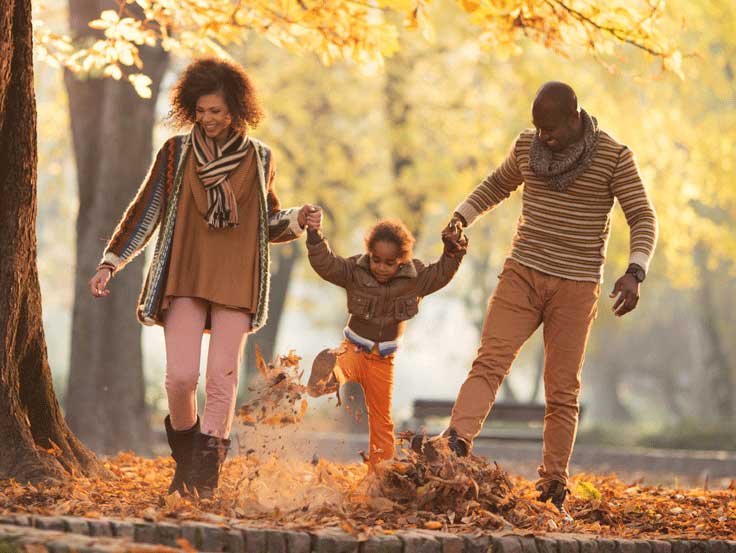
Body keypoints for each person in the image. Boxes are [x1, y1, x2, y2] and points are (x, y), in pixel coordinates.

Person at [420, 81, 658, 515]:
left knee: (562, 389)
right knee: (489, 361)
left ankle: (552, 483)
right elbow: (497, 184)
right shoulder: (529, 147)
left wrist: (635, 271)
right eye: (537, 128)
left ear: (575, 118)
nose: (543, 137)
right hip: (523, 273)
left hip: (576, 284)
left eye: (550, 129)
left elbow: (642, 215)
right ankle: (455, 444)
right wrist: (461, 216)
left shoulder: (614, 156)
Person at [88, 57, 321, 497]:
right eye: (201, 111)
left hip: (236, 280)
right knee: (179, 378)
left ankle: (205, 476)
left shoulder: (259, 157)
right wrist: (111, 261)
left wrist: (298, 218)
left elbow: (265, 222)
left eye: (216, 111)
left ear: (235, 111)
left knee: (221, 379)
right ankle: (187, 456)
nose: (208, 119)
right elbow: (147, 210)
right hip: (184, 275)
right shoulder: (176, 153)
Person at [305, 217, 468, 466]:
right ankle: (326, 376)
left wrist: (453, 251)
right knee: (339, 366)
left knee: (382, 421)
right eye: (376, 259)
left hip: (383, 361)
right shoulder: (355, 271)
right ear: (369, 254)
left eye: (389, 263)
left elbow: (440, 274)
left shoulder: (415, 278)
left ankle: (380, 473)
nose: (381, 267)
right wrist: (315, 236)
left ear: (402, 260)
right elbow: (327, 265)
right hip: (354, 348)